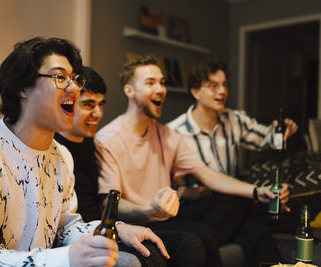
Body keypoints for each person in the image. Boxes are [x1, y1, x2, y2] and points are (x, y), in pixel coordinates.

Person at [0, 37, 169, 267]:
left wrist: (117, 229)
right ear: (22, 88)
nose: (74, 88)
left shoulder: (60, 156)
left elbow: (63, 228)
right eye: (60, 77)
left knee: (133, 260)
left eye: (75, 79)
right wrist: (65, 258)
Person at [94, 56, 290, 267]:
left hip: (169, 218)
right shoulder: (108, 140)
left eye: (162, 82)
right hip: (136, 223)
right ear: (129, 91)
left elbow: (207, 175)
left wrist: (256, 191)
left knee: (242, 213)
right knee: (204, 234)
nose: (161, 89)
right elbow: (109, 204)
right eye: (150, 83)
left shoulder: (166, 134)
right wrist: (148, 208)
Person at [55, 66, 207, 266]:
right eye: (89, 105)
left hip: (106, 227)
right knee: (154, 253)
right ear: (69, 103)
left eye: (101, 105)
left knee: (195, 238)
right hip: (77, 235)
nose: (98, 113)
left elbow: (106, 201)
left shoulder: (96, 144)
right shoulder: (57, 149)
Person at [167, 60, 298, 190]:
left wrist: (281, 131)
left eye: (225, 85)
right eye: (214, 86)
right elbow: (167, 183)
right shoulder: (175, 133)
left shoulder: (234, 119)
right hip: (199, 204)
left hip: (233, 198)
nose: (222, 91)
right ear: (196, 92)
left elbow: (264, 137)